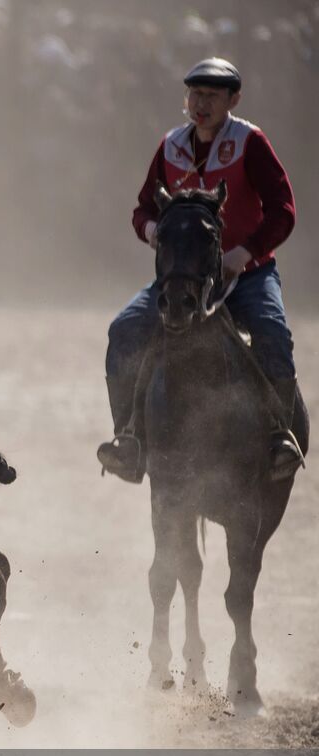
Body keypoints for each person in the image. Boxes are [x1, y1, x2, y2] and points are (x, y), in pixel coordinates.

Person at [98, 58, 302, 483]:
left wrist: (244, 253)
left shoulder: (250, 142)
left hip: (247, 275)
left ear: (234, 99)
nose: (201, 103)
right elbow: (142, 210)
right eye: (195, 94)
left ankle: (278, 437)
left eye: (212, 95)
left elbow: (284, 211)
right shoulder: (171, 145)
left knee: (273, 333)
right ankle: (129, 441)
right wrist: (153, 229)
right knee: (124, 332)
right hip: (182, 277)